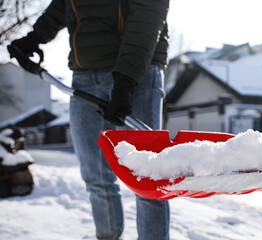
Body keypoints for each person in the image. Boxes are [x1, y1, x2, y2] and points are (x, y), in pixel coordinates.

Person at [9, 0, 170, 239]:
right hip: (84, 75)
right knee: (96, 177)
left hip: (138, 71)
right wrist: (34, 38)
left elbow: (148, 15)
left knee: (147, 178)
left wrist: (126, 80)